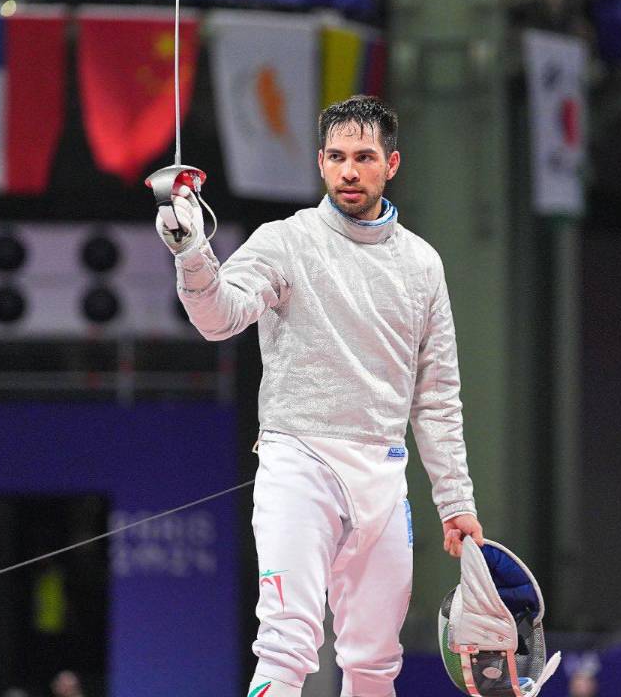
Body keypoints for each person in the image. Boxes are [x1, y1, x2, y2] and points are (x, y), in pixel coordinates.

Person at [157, 95, 481, 697]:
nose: (349, 171)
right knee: (286, 645)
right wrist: (192, 253)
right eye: (337, 157)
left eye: (364, 157)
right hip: (298, 464)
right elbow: (219, 318)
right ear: (320, 162)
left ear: (392, 164)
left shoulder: (422, 264)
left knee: (375, 663)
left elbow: (436, 395)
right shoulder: (286, 241)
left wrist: (455, 498)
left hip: (383, 474)